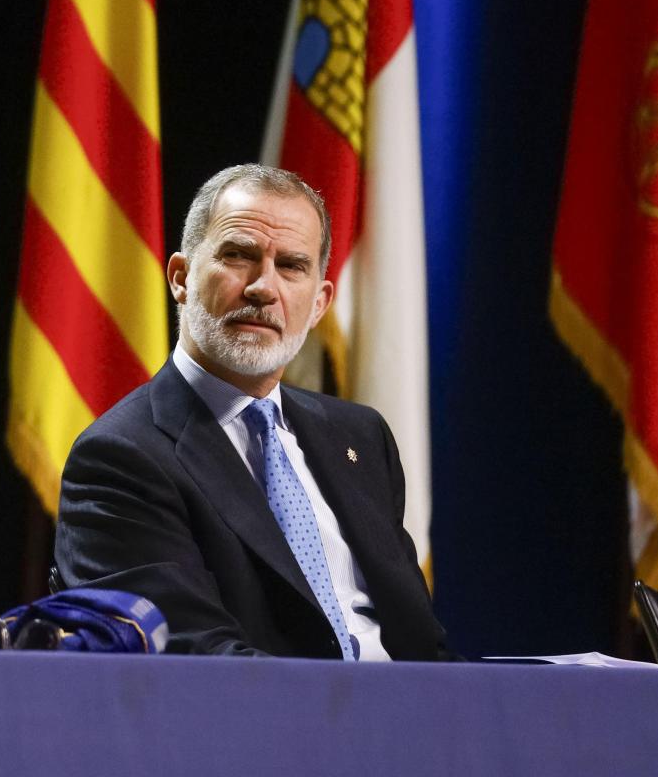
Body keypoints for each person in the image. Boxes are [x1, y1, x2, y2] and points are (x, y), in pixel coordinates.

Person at [53, 164, 452, 660]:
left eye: (291, 266)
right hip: (267, 729)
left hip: (414, 720)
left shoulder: (361, 436)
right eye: (239, 256)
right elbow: (193, 657)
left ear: (320, 303)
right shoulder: (121, 457)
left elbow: (422, 642)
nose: (264, 287)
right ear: (180, 278)